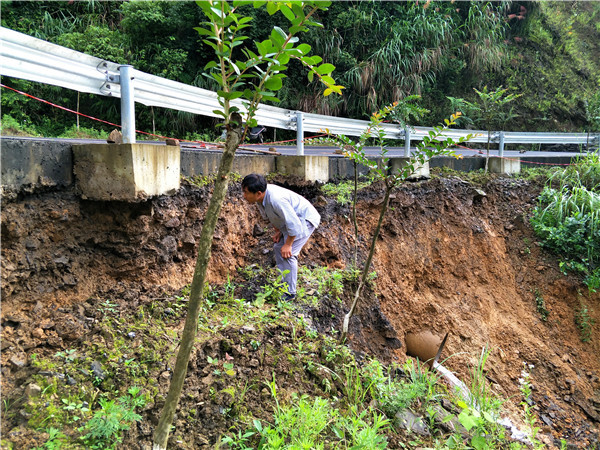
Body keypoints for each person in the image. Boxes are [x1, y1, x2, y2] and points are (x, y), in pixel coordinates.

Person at [242, 174, 320, 299]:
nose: (244, 196)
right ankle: (285, 285)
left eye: (246, 193)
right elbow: (272, 216)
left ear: (258, 193)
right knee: (279, 248)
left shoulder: (276, 200)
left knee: (288, 254)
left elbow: (294, 224)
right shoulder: (261, 198)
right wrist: (279, 231)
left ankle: (290, 293)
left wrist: (288, 244)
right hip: (292, 219)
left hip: (304, 219)